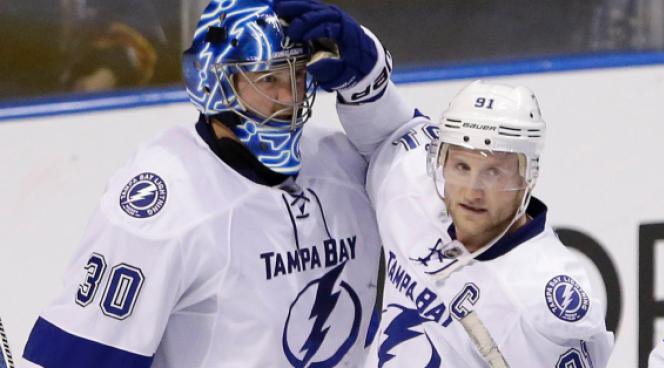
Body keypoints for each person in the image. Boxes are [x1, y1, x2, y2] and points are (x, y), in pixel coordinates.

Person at [20, 0, 394, 366]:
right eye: (268, 79)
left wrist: (373, 86)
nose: (290, 98)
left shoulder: (344, 163)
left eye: (296, 74)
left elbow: (434, 192)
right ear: (217, 84)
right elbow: (83, 357)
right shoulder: (163, 205)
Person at [327, 79, 616, 366]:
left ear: (527, 178)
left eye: (493, 173)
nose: (472, 191)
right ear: (440, 162)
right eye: (462, 167)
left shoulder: (543, 300)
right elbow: (388, 133)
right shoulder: (413, 190)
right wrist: (362, 74)